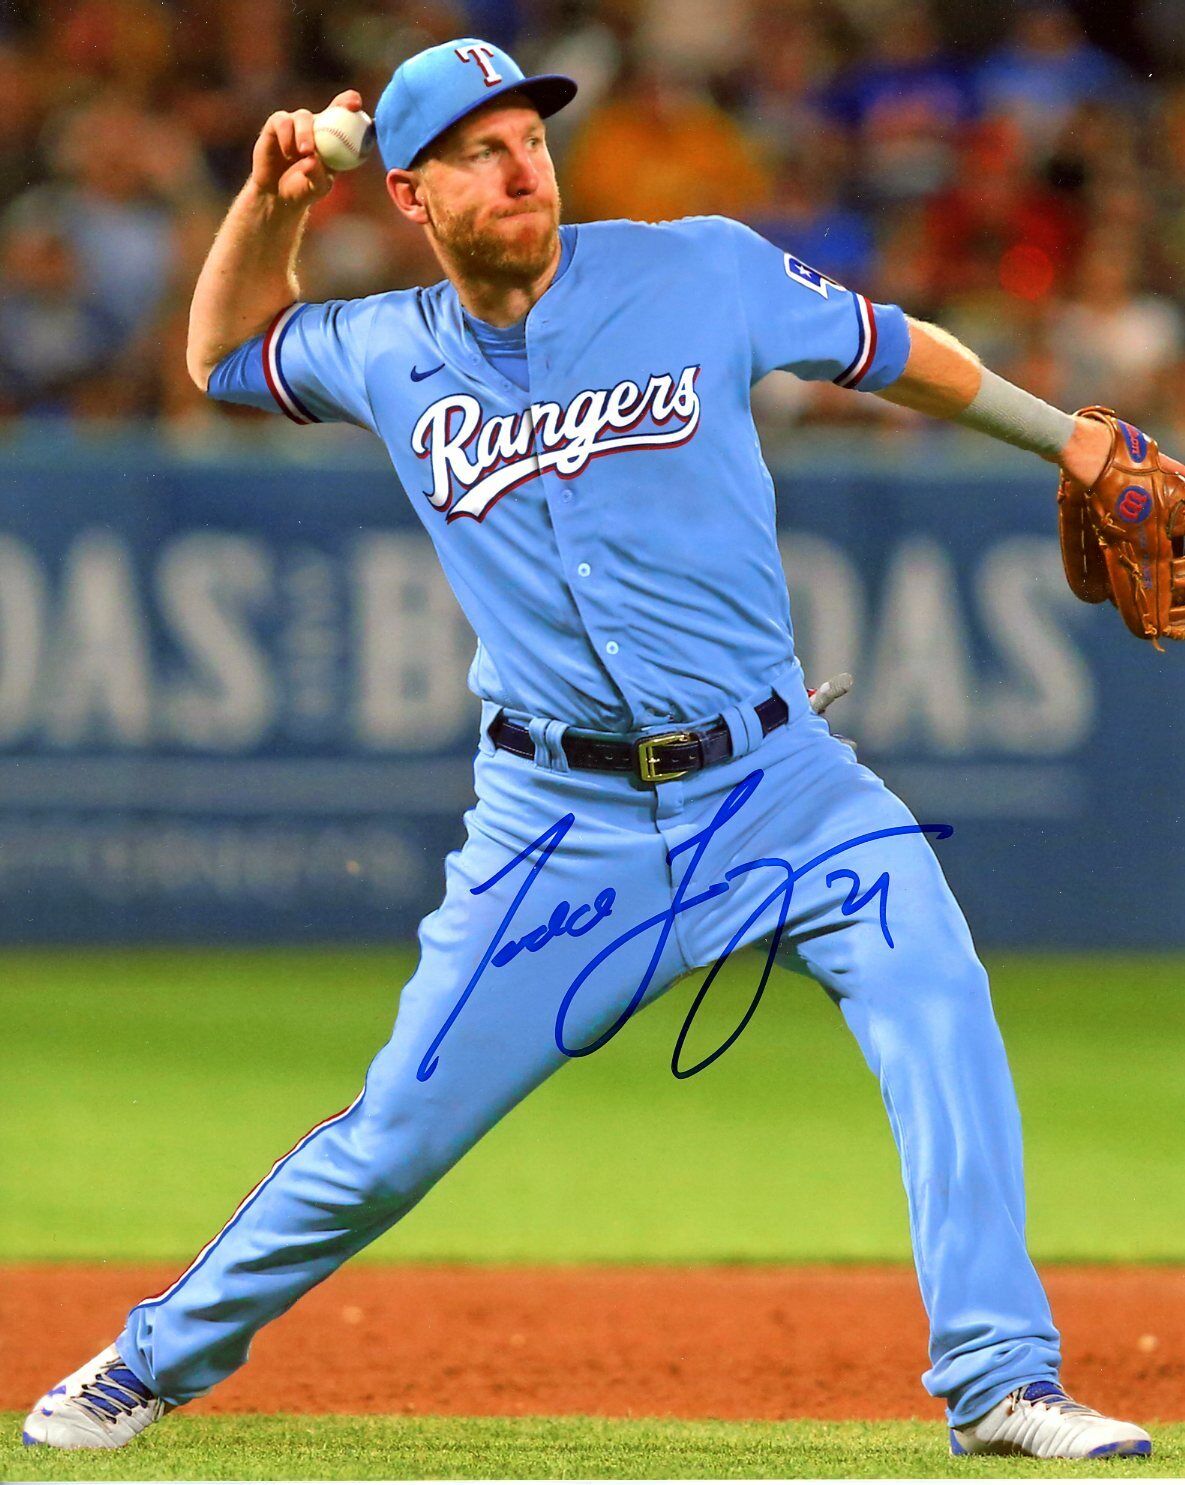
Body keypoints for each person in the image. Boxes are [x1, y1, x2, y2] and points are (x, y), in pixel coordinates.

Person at [22, 37, 1155, 1461]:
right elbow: (220, 355)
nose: (522, 164)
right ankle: (148, 1358)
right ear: (418, 196)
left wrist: (1060, 438)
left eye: (534, 138)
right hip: (559, 830)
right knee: (393, 1138)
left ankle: (1000, 1380)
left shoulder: (698, 268)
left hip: (783, 787)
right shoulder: (385, 347)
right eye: (481, 149)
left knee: (938, 1001)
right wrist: (276, 200)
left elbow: (895, 350)